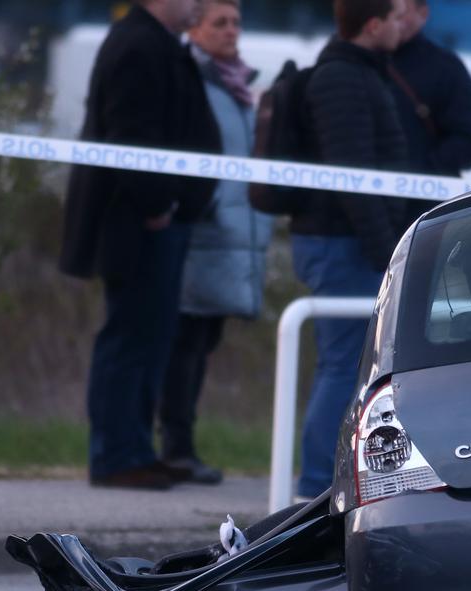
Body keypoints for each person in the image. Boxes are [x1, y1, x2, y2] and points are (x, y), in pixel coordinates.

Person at [59, 0, 222, 490]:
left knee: (151, 338)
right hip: (136, 224)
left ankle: (138, 448)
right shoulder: (136, 45)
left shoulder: (161, 44)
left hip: (161, 221)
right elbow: (130, 137)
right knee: (130, 337)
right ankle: (116, 455)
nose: (198, 4)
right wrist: (158, 203)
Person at [289, 0, 410, 500]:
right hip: (343, 242)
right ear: (374, 25)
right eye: (396, 16)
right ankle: (315, 487)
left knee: (347, 365)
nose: (403, 24)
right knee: (342, 365)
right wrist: (387, 249)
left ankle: (327, 481)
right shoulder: (341, 78)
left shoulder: (365, 71)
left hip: (351, 240)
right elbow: (352, 176)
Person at [156, 0, 272, 485]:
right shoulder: (193, 81)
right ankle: (175, 446)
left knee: (202, 342)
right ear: (195, 28)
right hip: (204, 232)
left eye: (236, 22)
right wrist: (202, 207)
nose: (231, 31)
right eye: (219, 22)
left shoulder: (237, 84)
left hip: (233, 235)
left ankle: (181, 445)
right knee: (182, 344)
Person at [389, 0, 471, 217]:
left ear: (423, 14)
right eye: (388, 9)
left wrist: (419, 173)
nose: (394, 18)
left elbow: (469, 140)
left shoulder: (444, 68)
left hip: (423, 212)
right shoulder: (359, 62)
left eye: (401, 12)